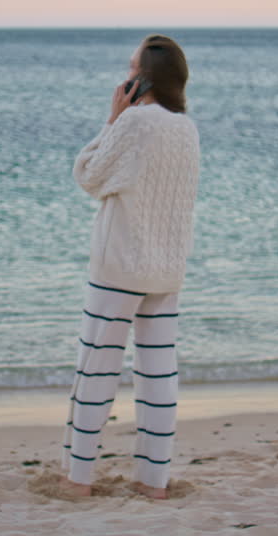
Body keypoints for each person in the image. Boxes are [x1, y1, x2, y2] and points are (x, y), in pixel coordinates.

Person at [58, 34, 200, 500]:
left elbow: (88, 175)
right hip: (166, 268)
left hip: (120, 267)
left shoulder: (135, 121)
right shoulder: (187, 128)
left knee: (95, 372)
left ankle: (78, 481)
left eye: (130, 68)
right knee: (158, 378)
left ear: (142, 80)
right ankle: (152, 484)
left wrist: (111, 119)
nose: (125, 75)